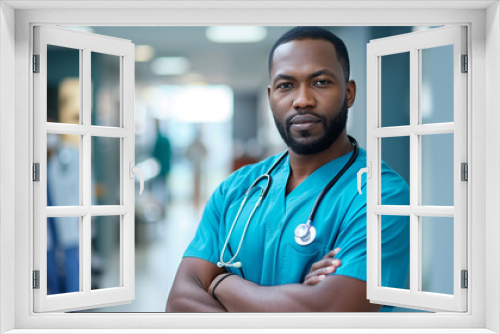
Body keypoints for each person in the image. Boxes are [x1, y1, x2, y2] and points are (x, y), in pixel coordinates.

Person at [166, 26, 409, 312]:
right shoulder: (237, 189)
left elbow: (330, 313)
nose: (302, 99)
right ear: (270, 98)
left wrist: (221, 284)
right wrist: (294, 302)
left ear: (349, 92)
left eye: (320, 82)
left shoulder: (381, 196)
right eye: (286, 85)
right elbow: (180, 302)